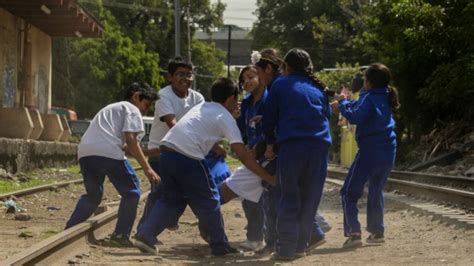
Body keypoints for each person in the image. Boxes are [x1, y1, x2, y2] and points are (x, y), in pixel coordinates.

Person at [134, 77, 275, 257]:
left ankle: (145, 235)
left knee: (171, 199)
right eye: (236, 99)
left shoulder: (201, 107)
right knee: (210, 200)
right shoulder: (225, 117)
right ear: (231, 99)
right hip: (188, 155)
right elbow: (243, 155)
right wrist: (268, 177)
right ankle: (220, 246)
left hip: (167, 151)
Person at [137, 57, 230, 231]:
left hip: (187, 154)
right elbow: (173, 124)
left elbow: (205, 124)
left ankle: (167, 222)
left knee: (181, 192)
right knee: (159, 192)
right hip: (162, 152)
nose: (185, 79)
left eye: (189, 74)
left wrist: (214, 144)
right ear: (170, 77)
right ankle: (144, 229)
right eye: (180, 74)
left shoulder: (198, 98)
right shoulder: (163, 95)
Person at [65, 82, 160, 247]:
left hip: (86, 153)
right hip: (108, 152)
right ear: (136, 96)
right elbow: (130, 140)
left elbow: (126, 147)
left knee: (93, 195)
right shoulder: (131, 109)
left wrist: (151, 153)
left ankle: (69, 230)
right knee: (132, 191)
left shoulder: (111, 108)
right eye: (146, 104)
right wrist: (148, 168)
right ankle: (120, 235)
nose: (145, 109)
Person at [263, 48, 332, 260]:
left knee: (290, 197)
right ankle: (300, 247)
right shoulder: (318, 89)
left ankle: (285, 249)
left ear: (287, 67)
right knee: (310, 199)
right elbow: (326, 117)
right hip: (320, 148)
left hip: (293, 147)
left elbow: (268, 118)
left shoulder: (280, 84)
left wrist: (270, 143)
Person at [331, 63, 399, 248]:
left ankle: (354, 233)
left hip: (370, 151)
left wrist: (342, 104)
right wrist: (344, 101)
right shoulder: (385, 96)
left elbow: (356, 116)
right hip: (388, 151)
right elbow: (359, 106)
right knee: (376, 190)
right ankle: (377, 233)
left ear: (367, 82)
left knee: (348, 193)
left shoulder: (368, 98)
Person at [219, 65, 269, 251]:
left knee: (237, 190)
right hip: (253, 157)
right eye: (243, 80)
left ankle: (314, 227)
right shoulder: (248, 103)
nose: (246, 82)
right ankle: (256, 237)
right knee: (252, 197)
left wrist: (261, 147)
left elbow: (271, 128)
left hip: (266, 157)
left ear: (262, 77)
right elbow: (241, 129)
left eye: (250, 77)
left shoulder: (269, 100)